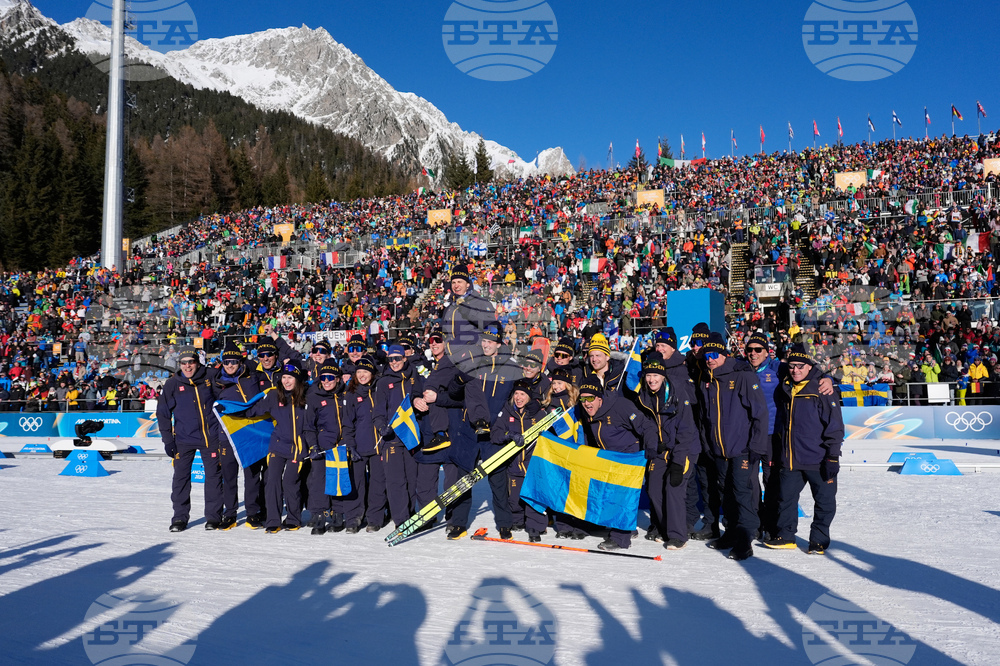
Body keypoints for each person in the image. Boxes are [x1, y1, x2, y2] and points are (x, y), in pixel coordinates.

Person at [695, 333, 768, 561]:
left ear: (724, 354)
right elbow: (704, 418)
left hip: (742, 449)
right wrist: (708, 445)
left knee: (741, 492)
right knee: (725, 494)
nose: (710, 359)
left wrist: (756, 446)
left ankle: (744, 541)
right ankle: (730, 533)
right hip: (718, 450)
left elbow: (760, 413)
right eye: (707, 355)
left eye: (714, 354)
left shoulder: (742, 375)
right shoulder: (706, 380)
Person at [764, 345, 844, 555]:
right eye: (792, 366)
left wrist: (832, 457)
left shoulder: (822, 389)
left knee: (825, 502)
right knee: (785, 499)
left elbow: (835, 425)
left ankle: (818, 541)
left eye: (800, 366)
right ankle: (786, 536)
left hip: (819, 459)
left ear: (809, 367)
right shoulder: (786, 386)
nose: (795, 370)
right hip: (791, 458)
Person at [577, 380, 658, 551]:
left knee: (620, 497)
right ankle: (626, 528)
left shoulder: (621, 406)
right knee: (608, 495)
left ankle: (620, 539)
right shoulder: (587, 411)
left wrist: (651, 447)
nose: (586, 403)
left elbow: (646, 425)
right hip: (608, 459)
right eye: (582, 399)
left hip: (629, 457)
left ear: (600, 398)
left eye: (590, 398)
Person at [241, 360, 317, 534]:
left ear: (297, 379)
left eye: (290, 377)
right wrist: (232, 411)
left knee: (290, 481)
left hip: (297, 448)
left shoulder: (308, 395)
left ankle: (293, 518)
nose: (286, 381)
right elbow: (254, 410)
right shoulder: (275, 395)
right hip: (277, 445)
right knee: (272, 481)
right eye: (284, 377)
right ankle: (273, 520)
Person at [635, 353, 700, 550]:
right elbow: (647, 426)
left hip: (684, 448)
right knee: (654, 489)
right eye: (648, 375)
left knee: (674, 486)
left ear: (663, 376)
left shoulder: (677, 392)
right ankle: (665, 529)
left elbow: (687, 429)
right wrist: (655, 445)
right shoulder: (644, 396)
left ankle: (677, 535)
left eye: (656, 375)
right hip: (661, 449)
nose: (652, 379)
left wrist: (678, 462)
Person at [156, 346, 224, 533]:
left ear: (197, 362)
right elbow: (162, 413)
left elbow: (225, 400)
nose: (187, 366)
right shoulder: (172, 384)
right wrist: (168, 440)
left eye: (191, 362)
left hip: (210, 437)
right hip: (183, 439)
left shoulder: (211, 376)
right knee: (180, 479)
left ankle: (213, 517)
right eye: (183, 363)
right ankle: (179, 517)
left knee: (213, 478)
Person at [211, 340, 264, 529]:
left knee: (252, 476)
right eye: (226, 362)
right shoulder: (217, 383)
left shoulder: (252, 376)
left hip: (250, 435)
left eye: (234, 361)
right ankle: (230, 514)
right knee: (229, 477)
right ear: (222, 364)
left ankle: (252, 513)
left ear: (240, 362)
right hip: (228, 437)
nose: (230, 365)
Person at [373, 344, 423, 529]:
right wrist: (381, 426)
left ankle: (409, 515)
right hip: (392, 437)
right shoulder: (383, 382)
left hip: (410, 436)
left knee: (411, 479)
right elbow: (378, 411)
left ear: (404, 358)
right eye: (390, 359)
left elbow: (420, 394)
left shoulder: (414, 376)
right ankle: (401, 521)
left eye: (397, 358)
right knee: (396, 481)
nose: (394, 362)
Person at [493, 379, 547, 541]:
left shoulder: (539, 414)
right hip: (515, 466)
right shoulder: (507, 412)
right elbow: (495, 434)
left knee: (533, 498)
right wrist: (508, 436)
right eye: (516, 393)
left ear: (529, 397)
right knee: (514, 498)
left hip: (534, 466)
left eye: (522, 394)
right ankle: (517, 521)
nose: (518, 397)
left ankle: (535, 527)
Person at [341, 356, 388, 532]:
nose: (362, 375)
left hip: (378, 446)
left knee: (377, 483)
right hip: (359, 447)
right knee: (356, 483)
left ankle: (375, 518)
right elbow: (347, 423)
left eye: (365, 372)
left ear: (372, 373)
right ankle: (353, 518)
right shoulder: (351, 394)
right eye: (359, 372)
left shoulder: (379, 391)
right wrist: (350, 445)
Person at [306, 358, 349, 535]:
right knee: (319, 480)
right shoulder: (314, 396)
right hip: (322, 446)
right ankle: (318, 514)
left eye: (330, 377)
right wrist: (313, 446)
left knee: (338, 478)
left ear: (338, 378)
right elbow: (308, 426)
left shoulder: (345, 394)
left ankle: (337, 512)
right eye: (323, 377)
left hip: (340, 445)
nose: (326, 381)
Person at [543, 368, 587, 539]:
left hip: (576, 449)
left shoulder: (575, 404)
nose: (555, 386)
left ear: (567, 384)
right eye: (553, 383)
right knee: (560, 488)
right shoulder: (548, 404)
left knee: (576, 488)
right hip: (558, 452)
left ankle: (579, 526)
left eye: (559, 383)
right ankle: (562, 525)